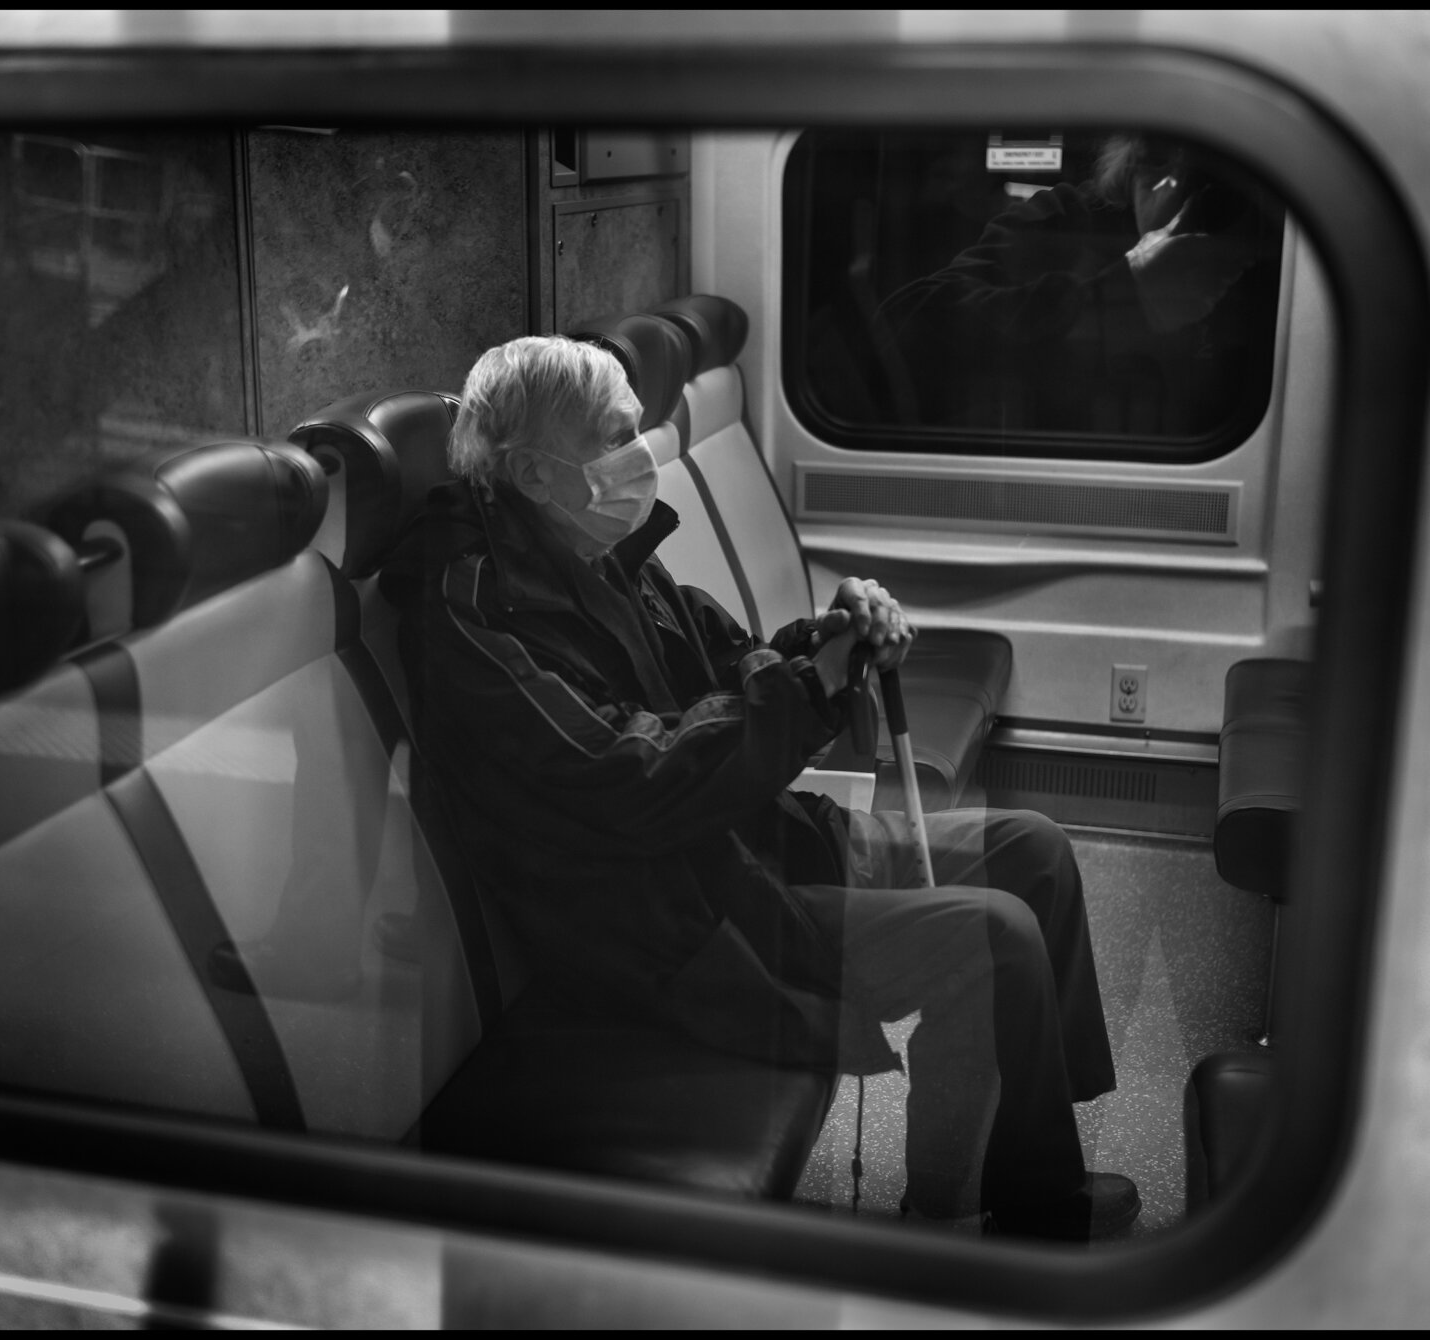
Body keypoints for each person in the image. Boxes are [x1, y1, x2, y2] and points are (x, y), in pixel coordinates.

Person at [379, 335, 1137, 1240]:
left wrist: (830, 639)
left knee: (1034, 853)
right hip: (672, 923)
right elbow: (630, 776)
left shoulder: (592, 545)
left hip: (744, 841)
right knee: (993, 937)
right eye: (618, 435)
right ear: (539, 472)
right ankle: (997, 1221)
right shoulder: (472, 609)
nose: (642, 454)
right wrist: (804, 685)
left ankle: (1010, 1161)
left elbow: (732, 662)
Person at [877, 133, 1275, 436]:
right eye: (1157, 157)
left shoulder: (1288, 257)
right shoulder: (1068, 222)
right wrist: (1125, 293)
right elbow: (906, 324)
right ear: (1132, 160)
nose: (1173, 191)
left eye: (1207, 177)